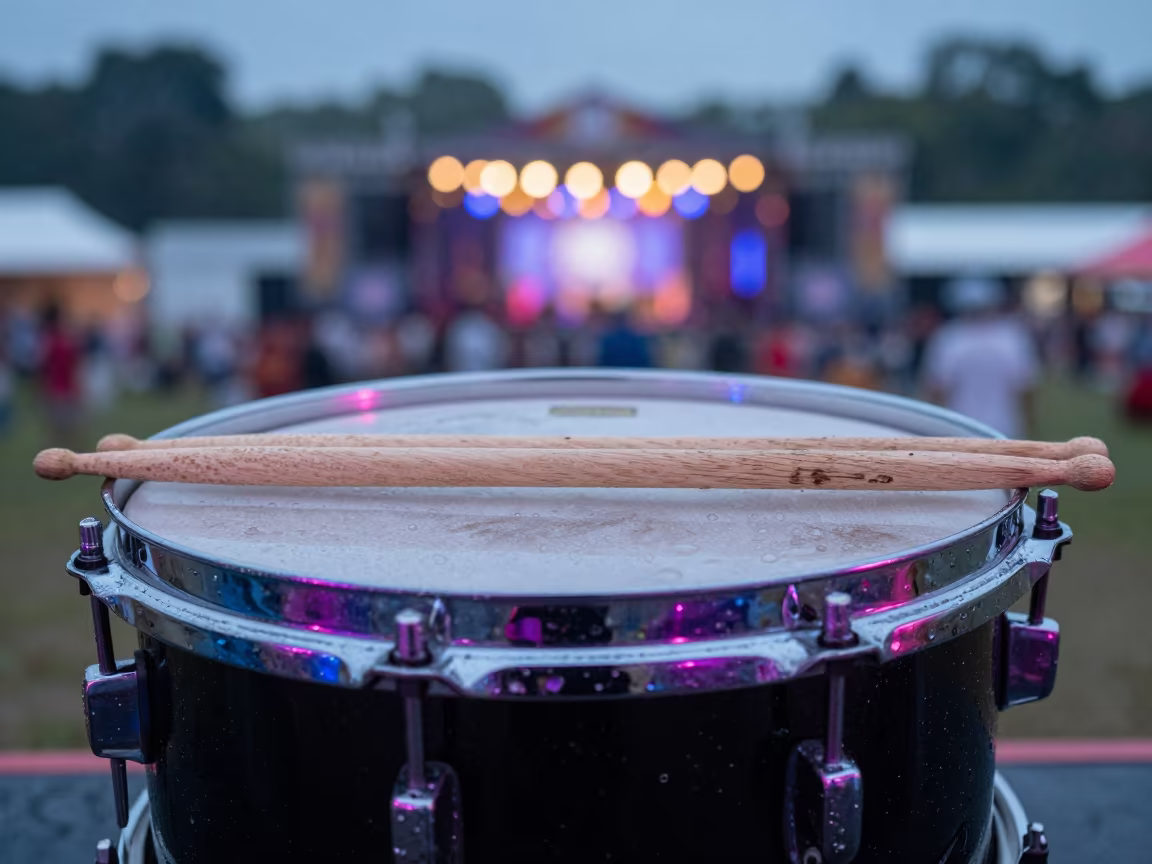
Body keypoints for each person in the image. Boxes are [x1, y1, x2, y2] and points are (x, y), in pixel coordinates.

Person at [922, 276, 1039, 439]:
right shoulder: (1011, 337)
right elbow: (1025, 390)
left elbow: (936, 391)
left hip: (962, 428)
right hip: (998, 430)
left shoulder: (949, 338)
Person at [38, 304, 82, 442]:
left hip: (63, 385)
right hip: (59, 386)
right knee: (62, 425)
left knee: (67, 424)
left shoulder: (55, 341)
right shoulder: (57, 341)